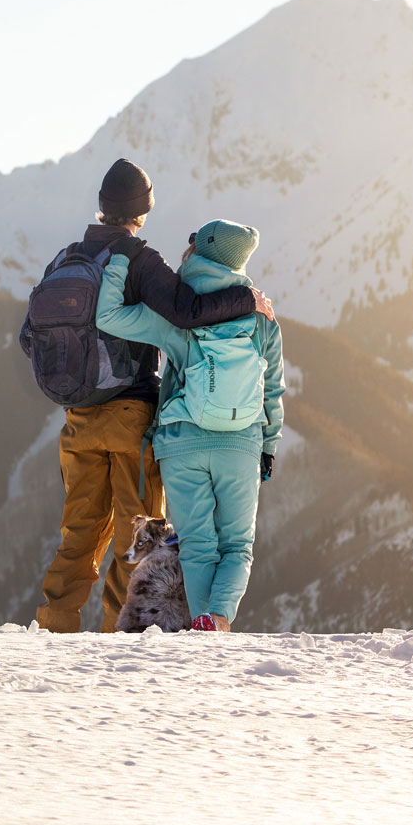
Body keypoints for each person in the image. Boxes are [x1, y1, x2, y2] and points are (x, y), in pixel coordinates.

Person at [29, 159, 274, 633]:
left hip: (77, 419)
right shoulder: (139, 259)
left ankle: (54, 628)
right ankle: (120, 642)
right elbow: (185, 310)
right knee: (135, 533)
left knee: (78, 531)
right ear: (142, 211)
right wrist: (248, 301)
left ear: (102, 207)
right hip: (130, 417)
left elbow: (29, 335)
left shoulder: (64, 260)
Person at [95, 219, 285, 631]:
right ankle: (216, 620)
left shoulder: (175, 315)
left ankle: (202, 630)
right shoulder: (262, 317)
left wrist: (119, 261)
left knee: (197, 546)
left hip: (182, 443)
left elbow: (108, 315)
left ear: (198, 253)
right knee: (237, 546)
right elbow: (273, 391)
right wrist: (267, 447)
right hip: (241, 444)